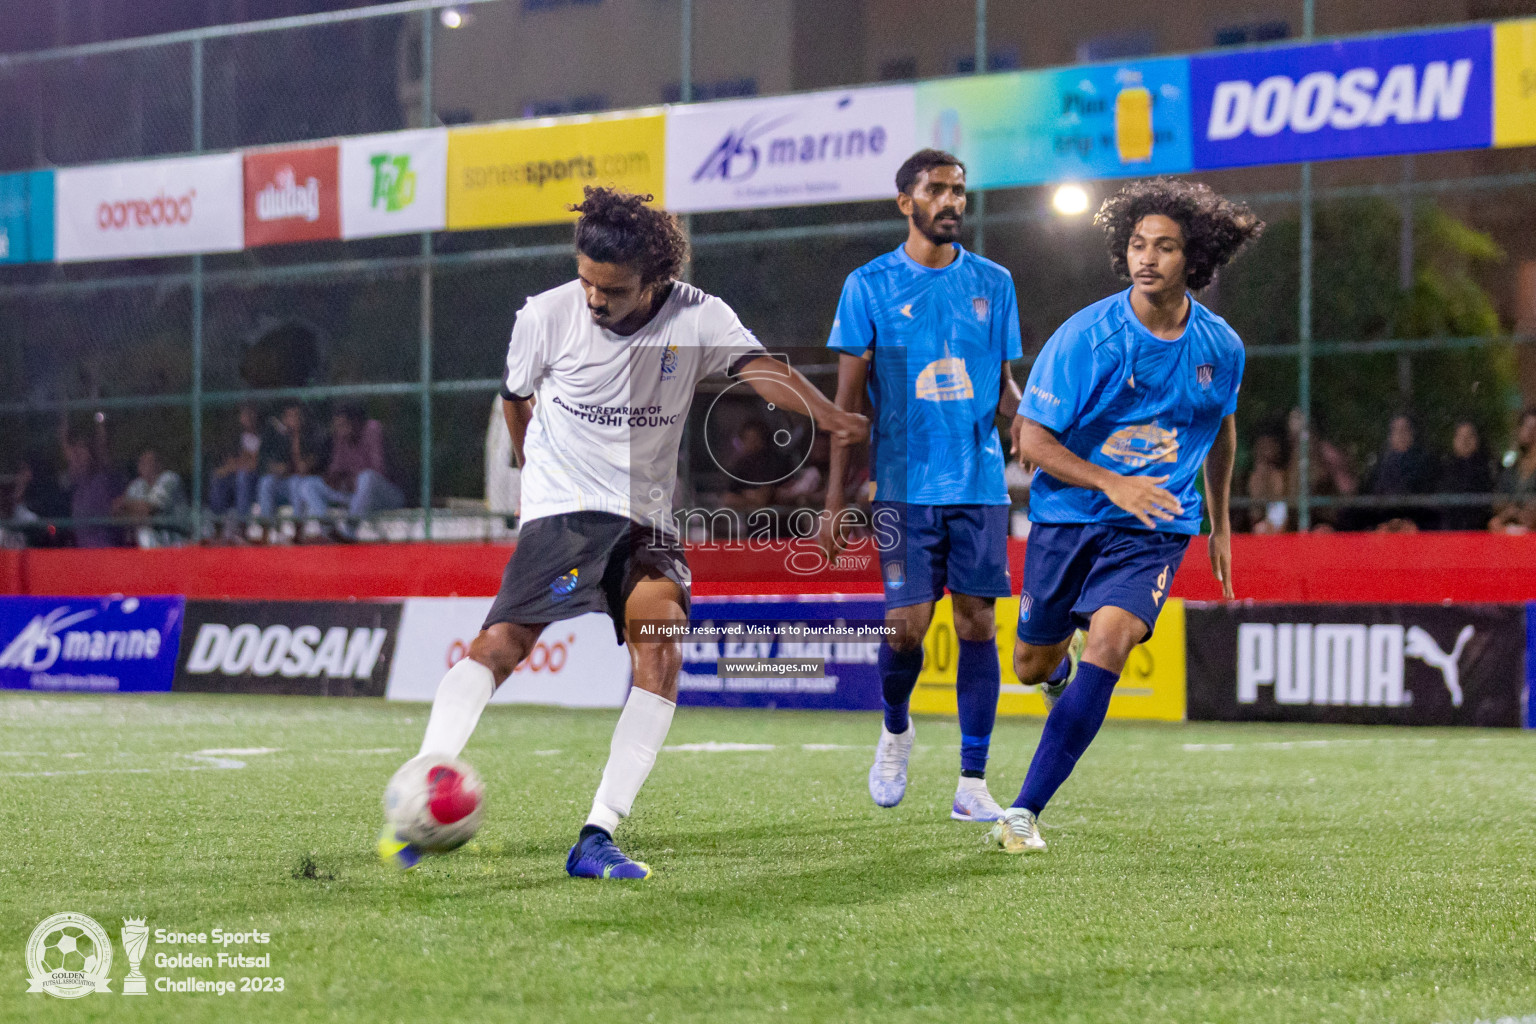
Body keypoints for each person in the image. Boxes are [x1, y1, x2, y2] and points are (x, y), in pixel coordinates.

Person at [381, 187, 867, 879]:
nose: (594, 299)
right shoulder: (545, 316)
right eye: (586, 280)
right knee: (505, 644)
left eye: (612, 289)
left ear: (657, 282)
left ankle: (597, 835)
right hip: (568, 507)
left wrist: (822, 413)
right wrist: (532, 471)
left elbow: (761, 370)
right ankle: (430, 774)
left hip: (648, 515)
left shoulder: (699, 315)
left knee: (662, 648)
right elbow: (516, 398)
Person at [997, 178, 1262, 854]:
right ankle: (1056, 674)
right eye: (1139, 244)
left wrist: (1222, 520)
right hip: (1069, 517)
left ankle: (1024, 812)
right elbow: (1030, 440)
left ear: (1192, 260)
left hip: (1155, 529)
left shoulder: (1221, 347)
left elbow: (1222, 426)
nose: (1148, 258)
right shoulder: (1088, 337)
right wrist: (1111, 483)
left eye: (1165, 247)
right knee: (1029, 665)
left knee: (1111, 644)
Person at [821, 148, 1024, 823]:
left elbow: (1003, 384)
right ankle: (896, 727)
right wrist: (833, 503)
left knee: (976, 623)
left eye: (959, 190)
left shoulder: (994, 283)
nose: (952, 202)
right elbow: (848, 411)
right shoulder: (868, 285)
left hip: (980, 483)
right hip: (904, 489)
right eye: (937, 190)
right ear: (906, 202)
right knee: (905, 627)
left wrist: (1029, 422)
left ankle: (972, 781)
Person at [295, 403, 403, 541]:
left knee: (366, 477)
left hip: (385, 496)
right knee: (307, 485)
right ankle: (329, 530)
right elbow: (336, 469)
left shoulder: (372, 429)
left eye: (343, 425)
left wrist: (352, 479)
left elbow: (379, 470)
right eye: (337, 426)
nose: (339, 430)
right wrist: (333, 478)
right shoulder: (340, 436)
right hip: (354, 497)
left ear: (356, 422)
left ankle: (349, 533)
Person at [255, 402, 325, 542]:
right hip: (283, 486)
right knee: (266, 482)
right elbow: (265, 463)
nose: (294, 420)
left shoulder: (312, 437)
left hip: (303, 486)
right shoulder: (278, 437)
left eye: (297, 416)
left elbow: (302, 469)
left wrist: (296, 437)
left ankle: (298, 530)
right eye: (290, 416)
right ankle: (265, 532)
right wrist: (277, 468)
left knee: (295, 481)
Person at [60, 414, 124, 548]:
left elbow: (102, 447)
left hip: (105, 553)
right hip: (84, 555)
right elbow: (68, 450)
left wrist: (99, 421)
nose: (76, 457)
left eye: (81, 450)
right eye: (75, 452)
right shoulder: (78, 485)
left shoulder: (103, 480)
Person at [1364, 413, 1436, 532]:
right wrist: (1380, 524)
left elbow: (1430, 502)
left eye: (1405, 429)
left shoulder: (1426, 465)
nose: (1400, 434)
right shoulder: (1378, 467)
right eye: (1396, 430)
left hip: (1416, 530)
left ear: (1412, 434)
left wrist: (1415, 524)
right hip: (1383, 530)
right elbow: (1369, 501)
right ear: (1390, 436)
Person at [114, 449, 189, 548]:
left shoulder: (170, 478)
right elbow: (116, 510)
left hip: (174, 542)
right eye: (141, 461)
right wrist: (133, 510)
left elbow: (149, 508)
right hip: (144, 545)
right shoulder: (137, 484)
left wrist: (127, 505)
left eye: (148, 461)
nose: (142, 465)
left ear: (159, 464)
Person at [208, 404, 262, 541]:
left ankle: (241, 526)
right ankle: (217, 527)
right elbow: (229, 463)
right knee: (218, 479)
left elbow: (255, 465)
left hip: (255, 479)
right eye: (245, 414)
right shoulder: (235, 438)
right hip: (234, 476)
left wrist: (243, 462)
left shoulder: (264, 436)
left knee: (243, 477)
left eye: (251, 414)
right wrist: (242, 462)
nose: (248, 418)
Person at [1437, 420, 1493, 531]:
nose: (1465, 441)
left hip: (1479, 532)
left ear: (1477, 440)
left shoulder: (1488, 468)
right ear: (1454, 440)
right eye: (1461, 436)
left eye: (1469, 436)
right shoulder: (1443, 469)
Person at [1490, 407, 1536, 533]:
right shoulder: (1511, 470)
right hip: (1510, 526)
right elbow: (1497, 501)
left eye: (1534, 429)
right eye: (1527, 427)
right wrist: (1509, 513)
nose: (1530, 434)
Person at [1246, 432, 1289, 533]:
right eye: (1262, 447)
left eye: (1269, 446)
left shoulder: (1279, 476)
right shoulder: (1251, 477)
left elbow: (1280, 523)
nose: (1266, 451)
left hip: (1276, 530)